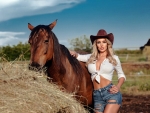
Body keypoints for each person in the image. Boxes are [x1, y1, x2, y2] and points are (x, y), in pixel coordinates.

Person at [69, 29, 126, 113]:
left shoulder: (114, 58)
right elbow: (78, 56)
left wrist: (117, 86)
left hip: (110, 93)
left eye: (104, 42)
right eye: (99, 42)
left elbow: (121, 75)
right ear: (96, 44)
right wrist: (71, 52)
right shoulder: (90, 57)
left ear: (108, 44)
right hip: (97, 95)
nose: (101, 45)